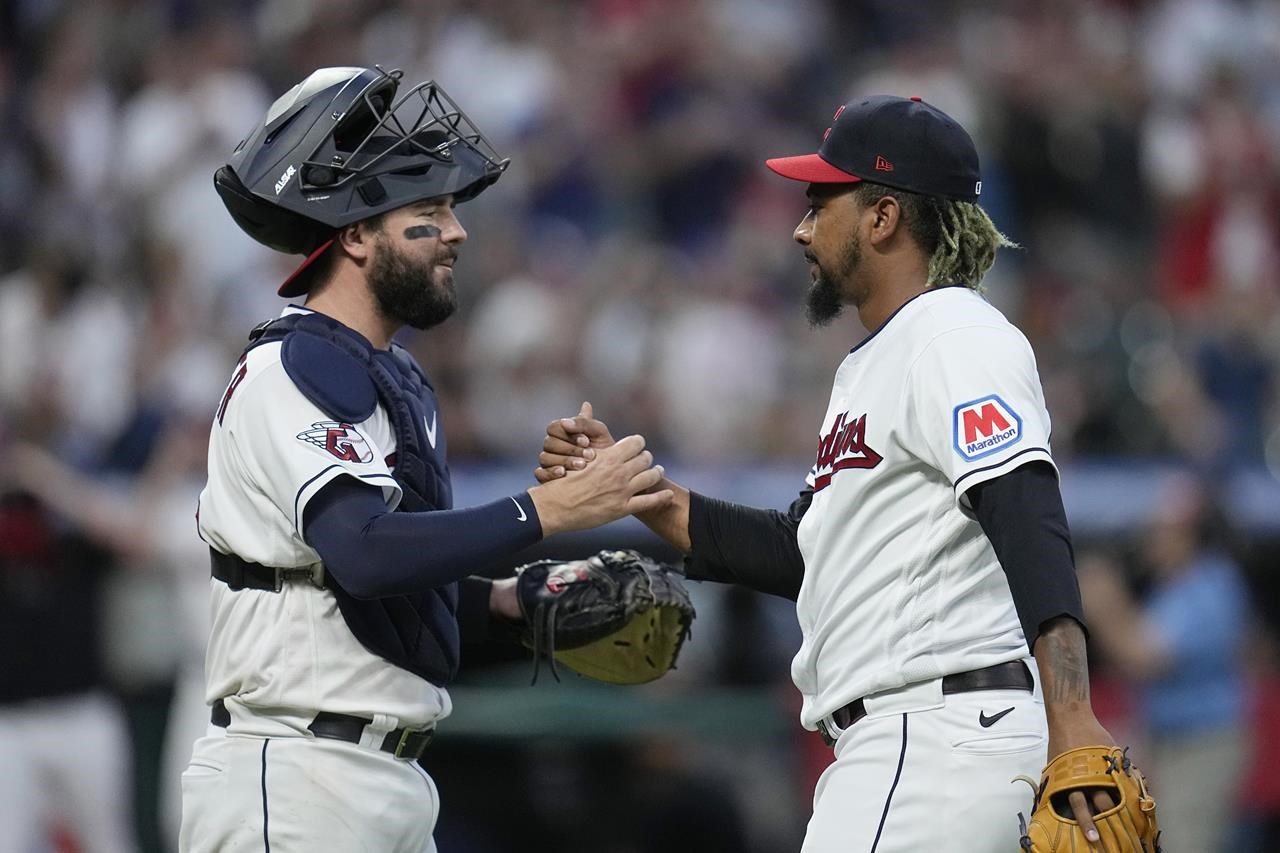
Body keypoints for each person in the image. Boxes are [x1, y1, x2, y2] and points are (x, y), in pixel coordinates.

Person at [537, 96, 1131, 852]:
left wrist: (1071, 709)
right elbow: (806, 550)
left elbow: (1025, 508)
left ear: (882, 216)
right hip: (918, 741)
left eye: (822, 202)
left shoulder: (953, 332)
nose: (800, 227)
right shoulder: (886, 356)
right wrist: (633, 489)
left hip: (934, 744)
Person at [183, 66, 671, 853]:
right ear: (354, 234)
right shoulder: (288, 372)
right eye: (430, 209)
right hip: (296, 776)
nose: (457, 230)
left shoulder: (390, 376)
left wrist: (508, 603)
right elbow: (365, 553)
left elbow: (385, 596)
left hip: (379, 781)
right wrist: (550, 510)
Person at [1080, 476, 1250, 853]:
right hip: (1165, 738)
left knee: (1183, 843)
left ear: (1188, 535)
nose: (1152, 537)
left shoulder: (1208, 584)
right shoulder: (1172, 586)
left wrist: (1105, 600)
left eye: (1162, 529)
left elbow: (1143, 657)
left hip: (1202, 743)